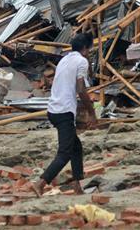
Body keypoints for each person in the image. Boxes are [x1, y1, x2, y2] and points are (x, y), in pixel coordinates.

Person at [35, 33, 97, 196]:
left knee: (76, 148)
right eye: (90, 49)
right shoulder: (81, 61)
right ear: (85, 48)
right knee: (64, 153)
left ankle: (77, 185)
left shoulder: (64, 60)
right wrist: (92, 112)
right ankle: (41, 183)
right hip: (63, 111)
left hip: (54, 110)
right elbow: (81, 89)